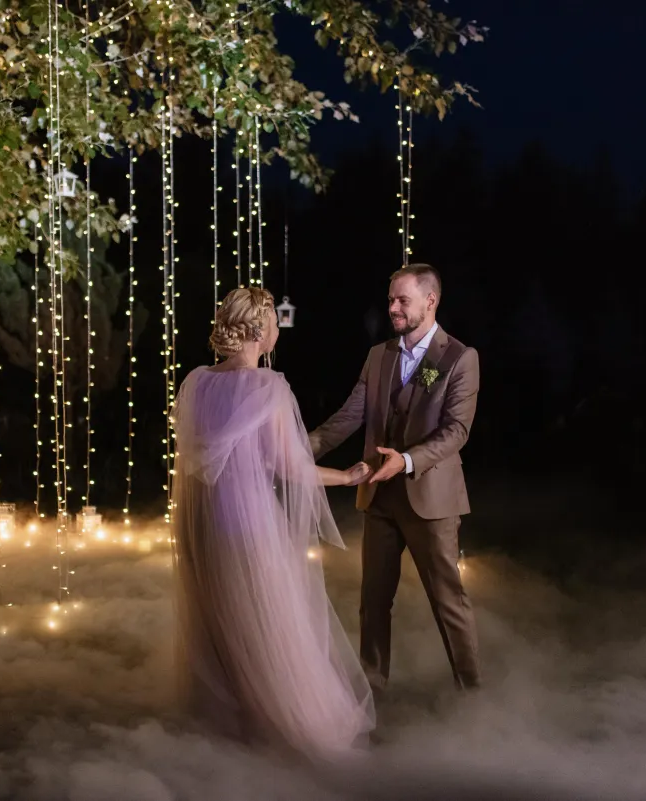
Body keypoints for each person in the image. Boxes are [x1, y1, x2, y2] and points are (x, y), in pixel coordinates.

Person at [171, 287, 375, 763]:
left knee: (222, 624)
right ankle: (282, 727)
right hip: (246, 527)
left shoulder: (195, 382)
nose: (278, 328)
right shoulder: (267, 387)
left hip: (201, 528)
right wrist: (345, 476)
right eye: (274, 321)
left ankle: (230, 726)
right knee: (267, 624)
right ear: (260, 329)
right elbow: (288, 466)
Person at [310, 263, 481, 693]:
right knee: (372, 601)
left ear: (430, 300)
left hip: (432, 501)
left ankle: (472, 690)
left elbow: (456, 433)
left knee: (448, 602)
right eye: (390, 300)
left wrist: (405, 461)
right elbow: (350, 416)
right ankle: (373, 690)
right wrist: (296, 450)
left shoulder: (460, 358)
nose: (393, 308)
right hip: (380, 500)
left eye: (402, 300)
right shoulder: (379, 355)